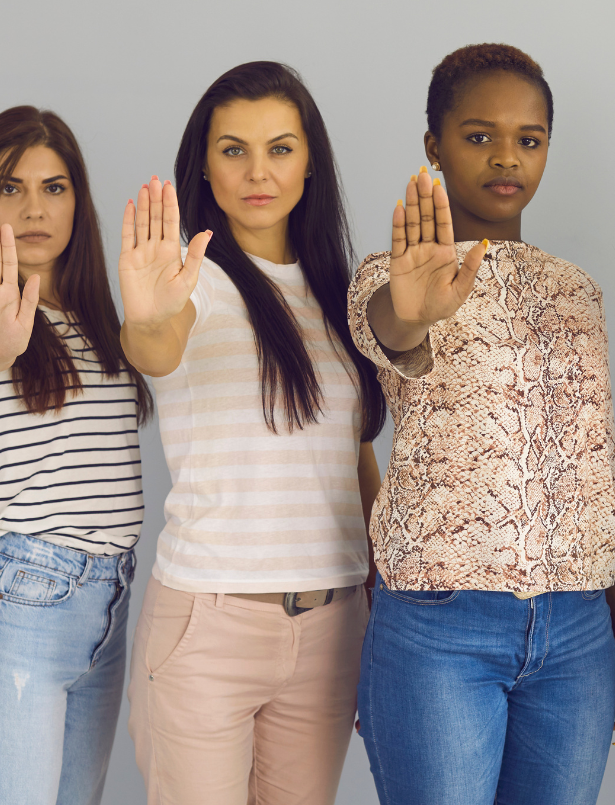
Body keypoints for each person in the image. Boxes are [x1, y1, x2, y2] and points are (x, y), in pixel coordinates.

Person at [349, 43, 615, 805]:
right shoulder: (393, 277)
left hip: (576, 635)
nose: (505, 157)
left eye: (529, 138)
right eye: (478, 135)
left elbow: (599, 475)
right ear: (434, 147)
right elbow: (392, 331)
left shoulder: (576, 292)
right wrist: (412, 310)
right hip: (440, 628)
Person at [118, 61, 386, 805]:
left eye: (280, 147)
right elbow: (155, 348)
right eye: (233, 149)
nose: (257, 171)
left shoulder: (340, 292)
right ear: (204, 165)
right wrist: (144, 315)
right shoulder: (187, 280)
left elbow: (352, 450)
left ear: (310, 162)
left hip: (331, 627)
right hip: (211, 622)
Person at [0, 106, 151, 805]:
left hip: (108, 600)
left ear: (77, 201)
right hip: (24, 597)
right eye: (10, 188)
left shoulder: (101, 323)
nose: (34, 208)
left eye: (54, 188)